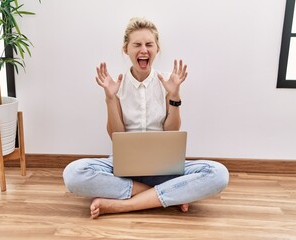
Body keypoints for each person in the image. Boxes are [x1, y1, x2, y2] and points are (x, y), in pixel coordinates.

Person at [63, 17, 229, 219]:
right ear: (126, 49)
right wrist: (109, 97)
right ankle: (168, 193)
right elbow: (116, 135)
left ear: (157, 49)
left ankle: (124, 205)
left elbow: (171, 132)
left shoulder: (168, 83)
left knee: (218, 173)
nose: (144, 49)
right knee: (73, 174)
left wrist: (174, 96)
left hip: (163, 167)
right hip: (123, 167)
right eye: (137, 44)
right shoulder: (116, 85)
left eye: (149, 44)